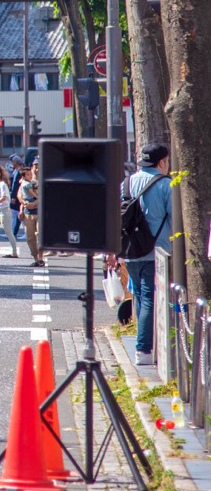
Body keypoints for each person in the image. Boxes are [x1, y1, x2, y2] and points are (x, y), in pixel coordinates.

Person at [110, 143, 172, 366]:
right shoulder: (166, 186)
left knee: (138, 294)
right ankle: (144, 348)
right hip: (156, 251)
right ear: (162, 162)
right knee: (149, 298)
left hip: (129, 250)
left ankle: (141, 341)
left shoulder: (126, 183)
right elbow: (175, 221)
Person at [17, 163, 43, 267]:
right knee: (30, 237)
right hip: (28, 213)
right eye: (35, 167)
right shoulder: (25, 183)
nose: (36, 170)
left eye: (38, 167)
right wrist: (23, 206)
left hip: (39, 212)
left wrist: (34, 203)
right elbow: (19, 196)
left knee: (39, 236)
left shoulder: (42, 181)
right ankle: (36, 258)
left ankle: (41, 258)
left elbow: (43, 196)